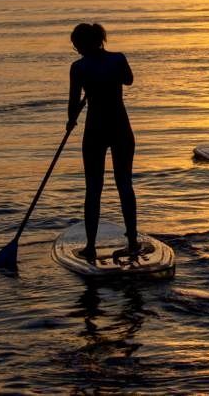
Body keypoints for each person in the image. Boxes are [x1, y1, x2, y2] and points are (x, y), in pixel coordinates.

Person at [68, 23, 148, 262]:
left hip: (95, 129)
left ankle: (91, 246)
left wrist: (71, 120)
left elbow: (73, 103)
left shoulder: (79, 68)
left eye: (76, 45)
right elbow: (128, 80)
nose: (76, 49)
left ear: (83, 44)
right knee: (124, 183)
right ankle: (132, 241)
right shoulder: (117, 59)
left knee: (93, 188)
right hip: (120, 127)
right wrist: (107, 78)